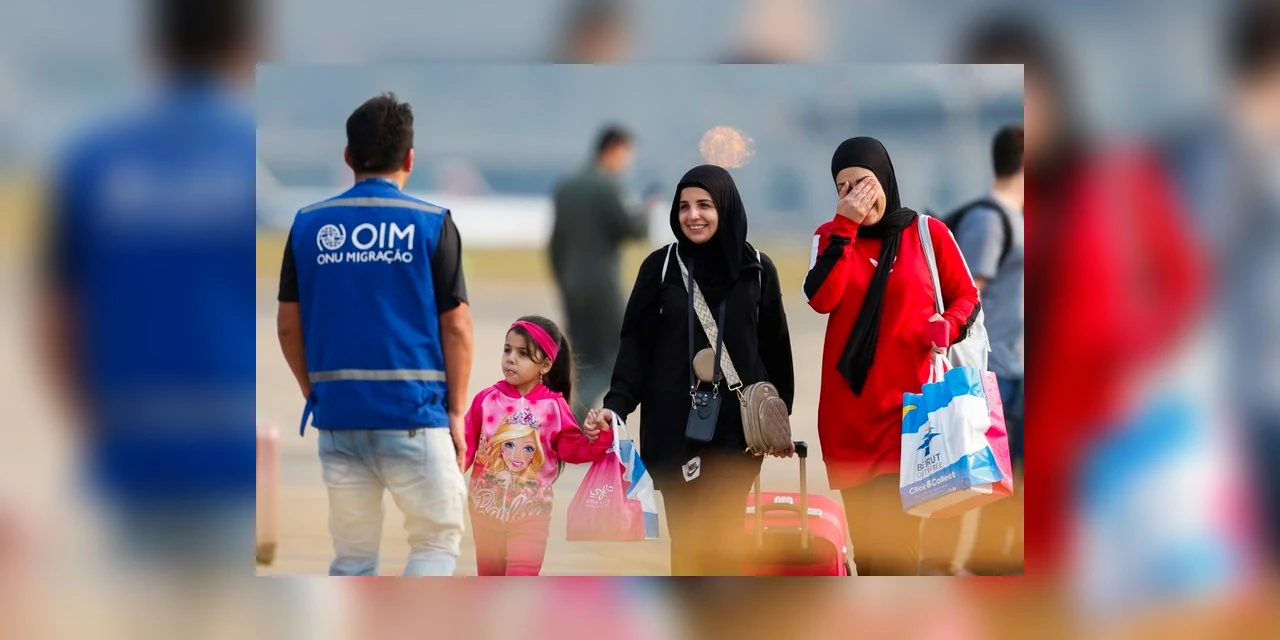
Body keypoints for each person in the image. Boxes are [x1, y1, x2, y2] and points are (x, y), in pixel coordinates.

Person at [276, 92, 474, 577]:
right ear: (409, 158)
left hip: (339, 419)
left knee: (353, 557)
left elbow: (286, 324)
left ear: (348, 157)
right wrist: (456, 409)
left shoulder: (306, 225)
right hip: (415, 414)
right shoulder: (432, 223)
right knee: (433, 541)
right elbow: (458, 327)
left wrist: (313, 391)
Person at [588, 164, 795, 576]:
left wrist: (778, 421)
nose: (692, 215)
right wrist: (618, 405)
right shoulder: (660, 267)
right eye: (684, 206)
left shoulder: (757, 269)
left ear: (727, 208)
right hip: (673, 430)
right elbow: (635, 346)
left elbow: (775, 350)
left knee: (723, 540)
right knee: (687, 546)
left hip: (736, 434)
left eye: (704, 205)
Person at [803, 137, 981, 576]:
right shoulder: (828, 238)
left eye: (863, 183)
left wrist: (948, 325)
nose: (856, 196)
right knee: (871, 554)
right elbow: (822, 298)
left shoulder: (927, 232)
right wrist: (845, 226)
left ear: (884, 177)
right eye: (843, 189)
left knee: (898, 555)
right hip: (850, 419)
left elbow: (967, 296)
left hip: (914, 417)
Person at [922, 125, 1027, 575]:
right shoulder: (990, 219)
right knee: (967, 476)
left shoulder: (1018, 216)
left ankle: (993, 563)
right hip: (994, 371)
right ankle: (940, 565)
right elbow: (964, 297)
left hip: (1019, 368)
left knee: (1011, 481)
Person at [462, 316, 613, 576]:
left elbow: (573, 449)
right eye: (507, 350)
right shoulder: (486, 400)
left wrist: (597, 436)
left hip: (531, 516)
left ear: (545, 365)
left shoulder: (553, 407)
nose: (510, 358)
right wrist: (448, 475)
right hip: (484, 513)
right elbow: (463, 447)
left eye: (522, 354)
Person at [549, 126, 656, 421]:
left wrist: (564, 280)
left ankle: (565, 416)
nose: (627, 162)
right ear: (613, 149)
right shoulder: (608, 186)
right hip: (601, 289)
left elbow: (555, 244)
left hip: (571, 285)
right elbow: (635, 229)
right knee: (613, 357)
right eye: (626, 155)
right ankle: (575, 417)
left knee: (581, 359)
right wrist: (647, 209)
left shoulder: (566, 187)